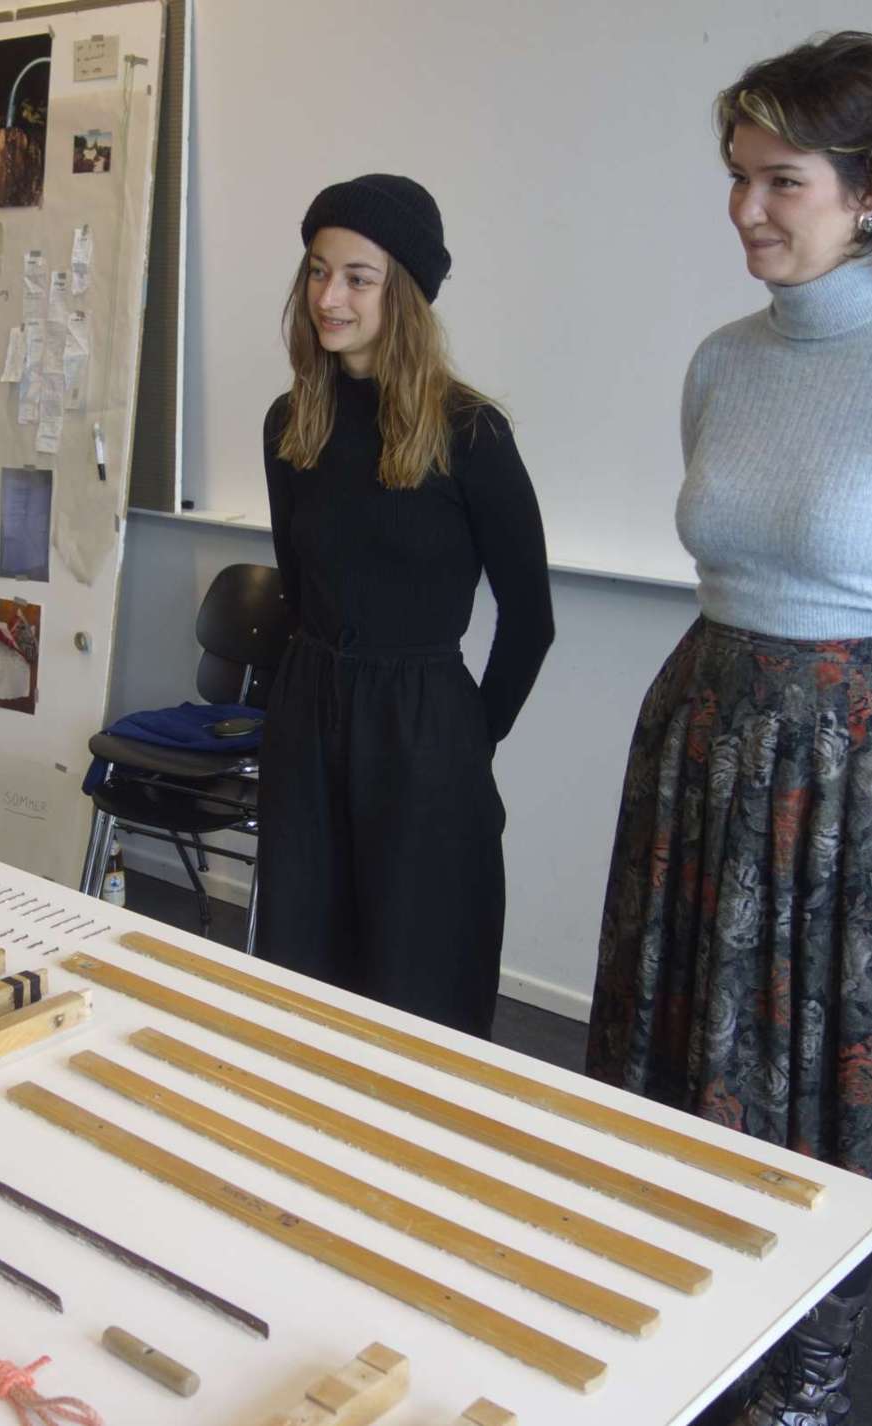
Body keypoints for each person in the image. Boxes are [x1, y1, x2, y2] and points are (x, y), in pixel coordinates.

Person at [586, 33, 872, 1426]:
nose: (744, 209)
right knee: (698, 1051)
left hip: (860, 773)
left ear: (871, 191)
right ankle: (698, 1330)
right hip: (707, 737)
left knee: (828, 1090)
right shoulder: (721, 363)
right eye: (735, 177)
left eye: (779, 181)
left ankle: (809, 1379)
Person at [256, 174, 555, 1039]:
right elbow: (296, 587)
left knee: (420, 980)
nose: (329, 297)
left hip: (425, 731)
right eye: (318, 271)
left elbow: (530, 620)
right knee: (301, 972)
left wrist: (465, 741)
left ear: (407, 295)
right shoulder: (290, 424)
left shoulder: (471, 433)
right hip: (309, 719)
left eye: (359, 277)